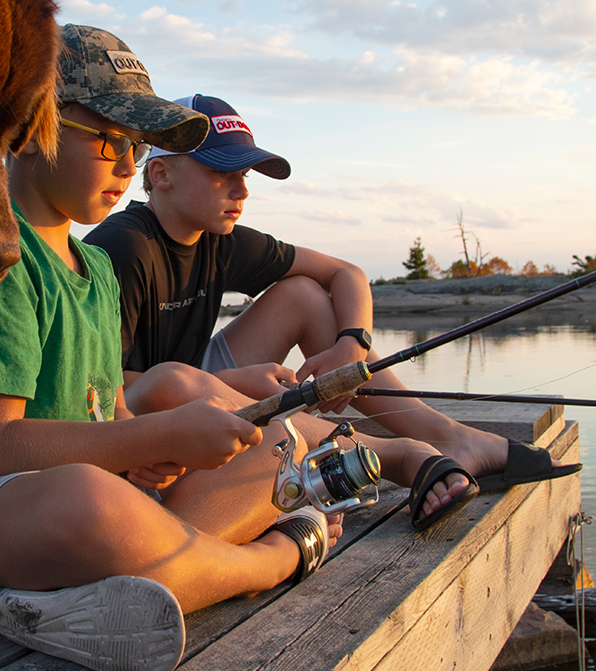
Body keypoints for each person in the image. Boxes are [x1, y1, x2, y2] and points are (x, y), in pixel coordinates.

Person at [0, 26, 346, 671]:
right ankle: (267, 561)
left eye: (135, 145)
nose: (128, 165)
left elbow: (106, 417)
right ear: (29, 127)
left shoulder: (95, 270)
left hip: (68, 505)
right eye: (108, 139)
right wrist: (151, 440)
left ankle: (104, 590)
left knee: (273, 453)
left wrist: (157, 451)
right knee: (88, 505)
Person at [83, 93, 581, 529]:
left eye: (245, 174)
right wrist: (233, 388)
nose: (242, 190)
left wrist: (352, 343)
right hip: (132, 411)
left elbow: (347, 273)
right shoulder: (123, 247)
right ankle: (392, 456)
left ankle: (446, 436)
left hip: (184, 383)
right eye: (221, 173)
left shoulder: (222, 239)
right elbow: (100, 390)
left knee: (302, 294)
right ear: (161, 173)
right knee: (177, 379)